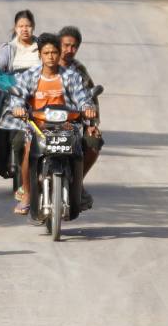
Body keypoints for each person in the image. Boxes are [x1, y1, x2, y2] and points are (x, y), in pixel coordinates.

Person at [8, 34, 96, 216]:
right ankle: (27, 194)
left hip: (67, 127)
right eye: (46, 53)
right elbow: (17, 97)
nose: (50, 56)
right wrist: (18, 108)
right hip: (37, 127)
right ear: (40, 54)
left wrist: (87, 108)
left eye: (54, 52)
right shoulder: (29, 76)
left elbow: (83, 98)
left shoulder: (71, 76)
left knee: (91, 143)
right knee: (27, 150)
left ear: (59, 53)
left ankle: (78, 186)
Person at [0, 11, 39, 194]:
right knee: (1, 124)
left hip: (38, 95)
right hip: (13, 94)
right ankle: (2, 159)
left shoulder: (42, 46)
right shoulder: (8, 49)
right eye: (21, 26)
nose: (24, 29)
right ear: (15, 28)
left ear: (33, 27)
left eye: (28, 26)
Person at [58, 25, 103, 212]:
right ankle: (27, 190)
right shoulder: (43, 67)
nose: (70, 50)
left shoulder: (78, 70)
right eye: (66, 45)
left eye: (74, 46)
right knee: (24, 142)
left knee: (93, 142)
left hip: (73, 122)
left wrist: (91, 123)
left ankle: (77, 182)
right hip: (44, 122)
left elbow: (90, 99)